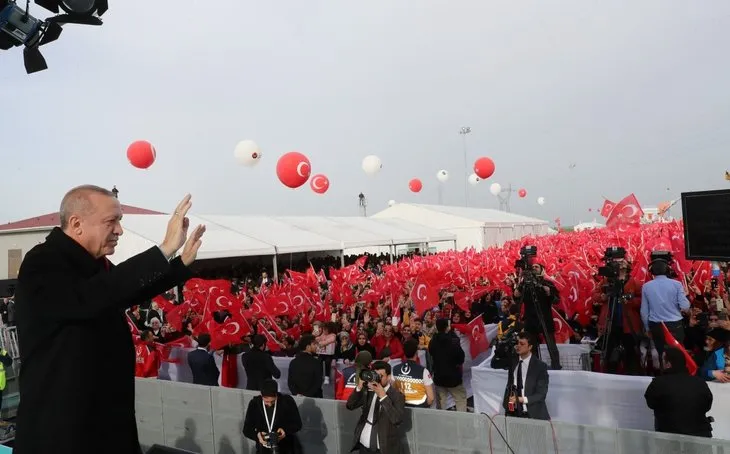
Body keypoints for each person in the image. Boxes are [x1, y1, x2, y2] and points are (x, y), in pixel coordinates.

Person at [14, 187, 206, 454]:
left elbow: (124, 290)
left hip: (106, 425)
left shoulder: (92, 265)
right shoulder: (42, 262)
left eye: (120, 221)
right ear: (76, 224)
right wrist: (163, 250)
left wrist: (179, 264)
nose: (119, 230)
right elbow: (93, 296)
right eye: (111, 221)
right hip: (64, 434)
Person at [644, 348, 713, 437]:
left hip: (670, 437)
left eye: (663, 360)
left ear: (669, 364)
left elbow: (651, 403)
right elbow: (707, 405)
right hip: (700, 435)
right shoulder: (700, 382)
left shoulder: (658, 383)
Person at [346, 360, 406, 454]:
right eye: (375, 375)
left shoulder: (397, 396)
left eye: (380, 376)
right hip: (363, 445)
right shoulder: (368, 391)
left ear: (389, 377)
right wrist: (359, 388)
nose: (377, 379)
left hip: (383, 448)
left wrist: (383, 397)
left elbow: (397, 419)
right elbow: (350, 405)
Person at [641, 257, 690, 368]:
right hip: (675, 325)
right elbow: (685, 307)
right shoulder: (677, 284)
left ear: (652, 271)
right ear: (668, 270)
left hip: (656, 326)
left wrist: (647, 328)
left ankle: (663, 374)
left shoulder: (646, 286)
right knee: (678, 354)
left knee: (661, 353)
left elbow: (644, 311)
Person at [513, 263, 561, 370]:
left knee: (551, 345)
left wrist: (548, 292)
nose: (534, 268)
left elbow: (557, 301)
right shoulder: (524, 285)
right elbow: (516, 297)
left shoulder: (548, 283)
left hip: (545, 318)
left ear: (542, 270)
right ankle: (535, 368)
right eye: (532, 267)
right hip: (530, 319)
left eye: (536, 267)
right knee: (532, 345)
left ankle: (556, 366)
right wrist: (519, 287)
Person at [243, 379, 303, 454]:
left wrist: (285, 431)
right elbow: (247, 430)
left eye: (273, 401)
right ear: (262, 396)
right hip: (263, 450)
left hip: (285, 449)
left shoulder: (287, 401)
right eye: (266, 402)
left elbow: (297, 424)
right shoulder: (254, 404)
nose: (270, 404)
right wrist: (258, 435)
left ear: (276, 395)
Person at [502, 332, 550, 420]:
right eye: (517, 343)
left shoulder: (540, 366)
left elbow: (541, 394)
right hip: (513, 414)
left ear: (530, 347)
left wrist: (521, 399)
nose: (518, 346)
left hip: (534, 415)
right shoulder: (513, 362)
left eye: (522, 344)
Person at [428, 318, 467, 411]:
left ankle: (441, 421)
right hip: (453, 378)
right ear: (447, 327)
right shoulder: (453, 341)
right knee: (460, 401)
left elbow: (431, 353)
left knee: (441, 404)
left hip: (439, 377)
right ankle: (463, 422)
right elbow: (461, 358)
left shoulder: (433, 341)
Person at [392, 339, 435, 408]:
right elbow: (431, 398)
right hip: (419, 407)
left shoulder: (395, 369)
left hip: (401, 407)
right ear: (416, 353)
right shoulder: (423, 371)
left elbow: (393, 390)